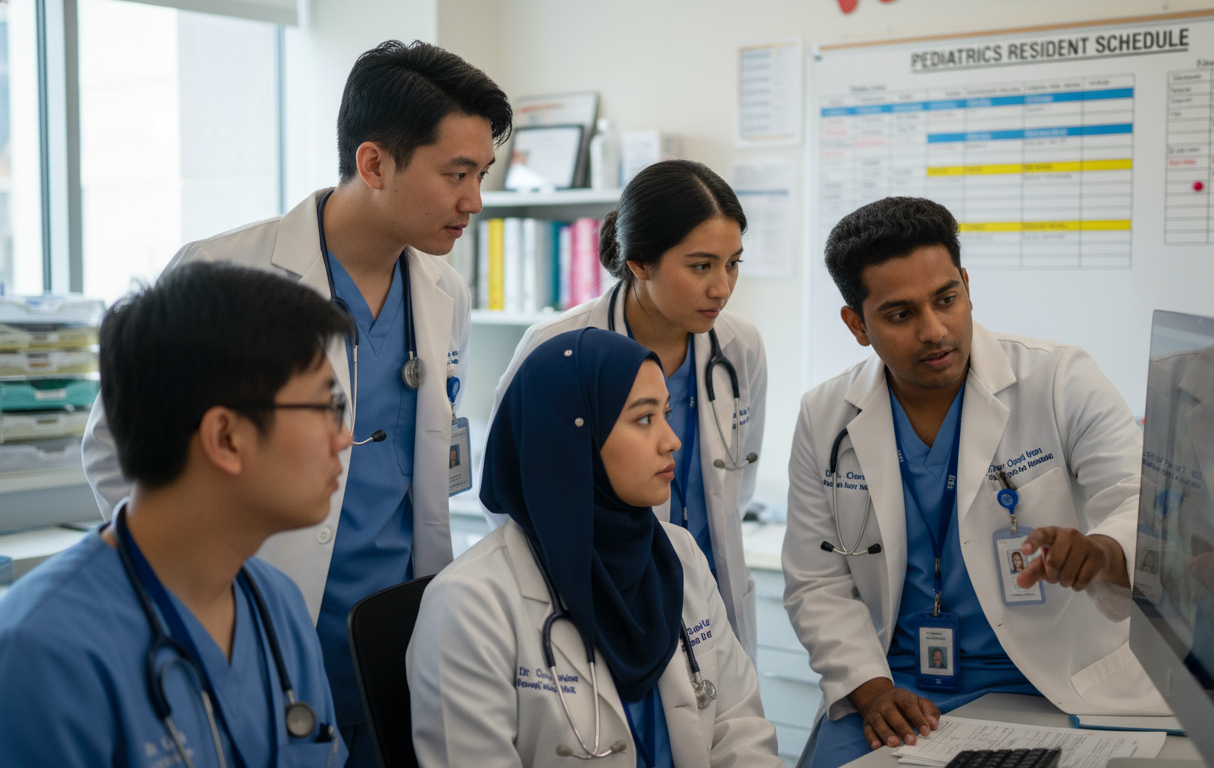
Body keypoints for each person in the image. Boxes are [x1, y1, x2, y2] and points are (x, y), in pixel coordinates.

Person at [80, 41, 511, 763]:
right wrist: (195, 587)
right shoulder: (222, 271)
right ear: (374, 164)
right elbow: (113, 448)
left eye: (482, 176)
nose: (474, 201)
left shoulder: (445, 290)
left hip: (400, 635)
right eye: (456, 174)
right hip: (258, 628)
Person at [782, 197, 1167, 768]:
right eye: (900, 314)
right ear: (857, 324)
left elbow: (1140, 502)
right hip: (898, 690)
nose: (934, 330)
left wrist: (1104, 551)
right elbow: (817, 582)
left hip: (1049, 684)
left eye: (946, 299)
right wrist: (870, 689)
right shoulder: (825, 416)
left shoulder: (1059, 379)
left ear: (966, 286)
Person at [0, 263, 352, 766]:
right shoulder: (42, 653)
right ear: (226, 438)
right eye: (326, 407)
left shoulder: (278, 606)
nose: (344, 437)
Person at [408, 329, 782, 768]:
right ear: (571, 438)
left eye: (666, 413)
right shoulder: (469, 604)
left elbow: (740, 730)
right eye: (644, 419)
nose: (671, 440)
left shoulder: (678, 555)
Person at [486, 160, 768, 659]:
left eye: (733, 263)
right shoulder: (559, 346)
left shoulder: (738, 346)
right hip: (597, 599)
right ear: (639, 263)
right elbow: (514, 491)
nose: (722, 288)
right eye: (701, 266)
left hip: (709, 599)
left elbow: (737, 482)